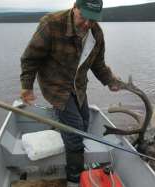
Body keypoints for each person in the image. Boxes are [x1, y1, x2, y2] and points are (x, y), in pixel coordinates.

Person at [20, 0, 120, 186]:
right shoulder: (51, 24)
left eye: (93, 19)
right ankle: (74, 177)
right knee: (75, 133)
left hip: (78, 86)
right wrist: (27, 86)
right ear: (75, 7)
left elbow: (98, 65)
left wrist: (110, 81)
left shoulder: (96, 33)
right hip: (55, 85)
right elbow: (30, 58)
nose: (87, 24)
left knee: (84, 122)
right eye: (84, 17)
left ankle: (61, 128)